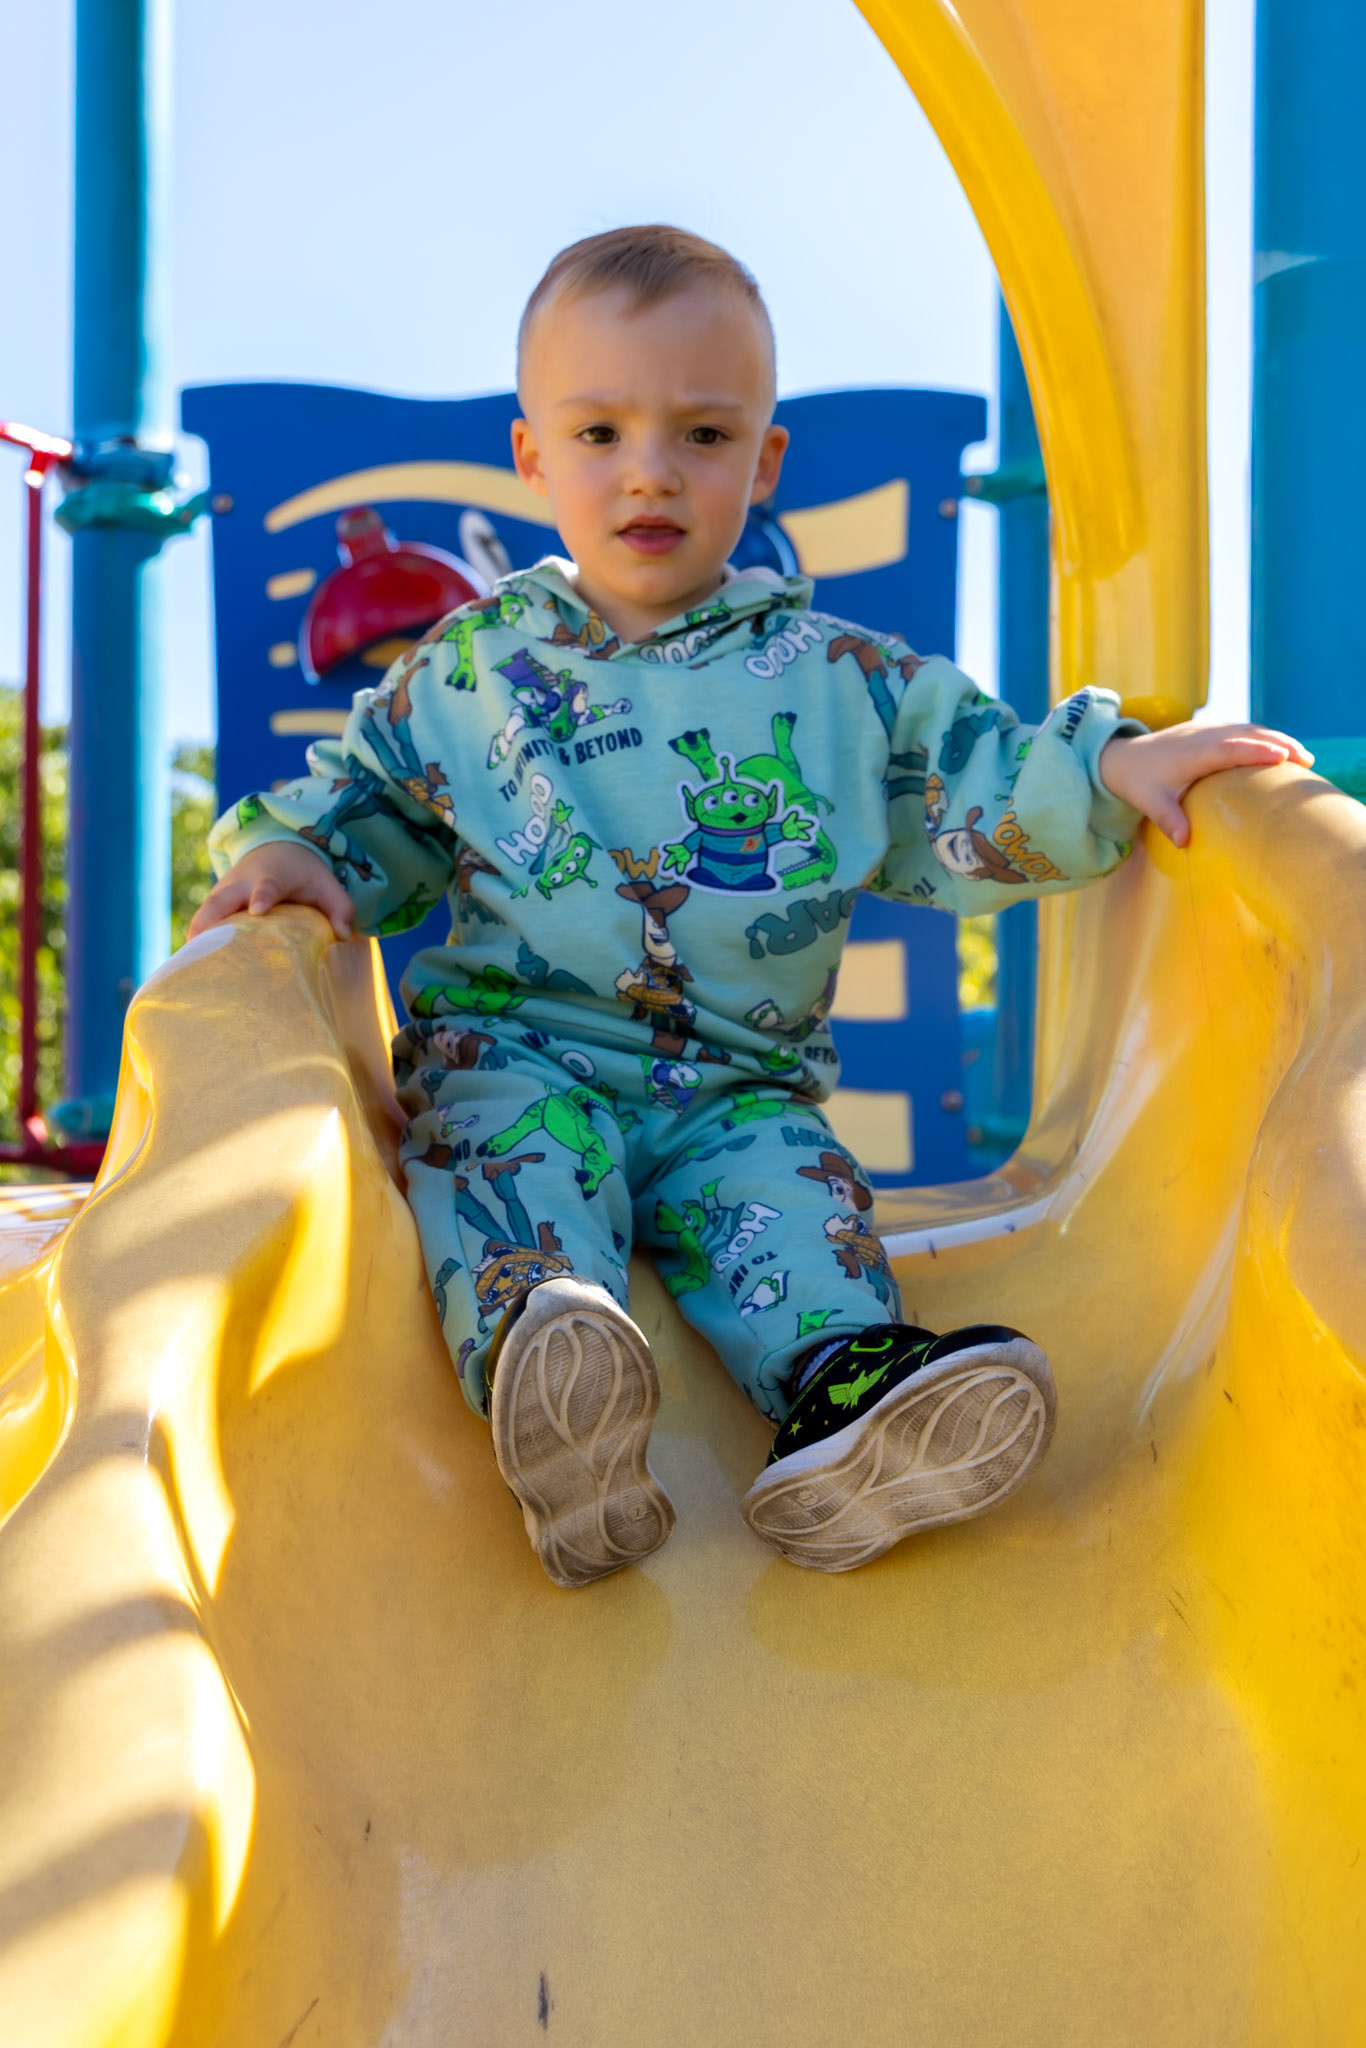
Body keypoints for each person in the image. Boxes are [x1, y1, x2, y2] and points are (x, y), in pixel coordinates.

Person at [191, 225, 1310, 1587]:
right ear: (533, 458)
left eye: (704, 434)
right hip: (518, 1054)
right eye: (600, 433)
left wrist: (1112, 767)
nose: (650, 470)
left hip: (738, 1090)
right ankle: (559, 1391)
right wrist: (300, 856)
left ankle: (849, 1412)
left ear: (763, 461)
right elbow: (370, 797)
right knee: (504, 1182)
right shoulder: (473, 670)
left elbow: (975, 776)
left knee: (796, 1216)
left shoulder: (835, 678)